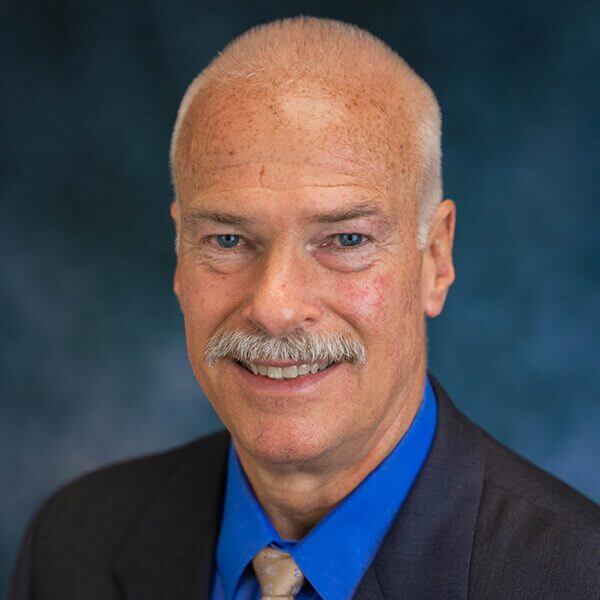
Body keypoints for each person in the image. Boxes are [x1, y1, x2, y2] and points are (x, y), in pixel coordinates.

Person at [9, 16, 600, 600]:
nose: (275, 307)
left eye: (346, 240)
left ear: (436, 259)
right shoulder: (71, 545)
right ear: (179, 252)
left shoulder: (576, 576)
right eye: (227, 240)